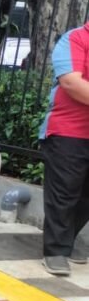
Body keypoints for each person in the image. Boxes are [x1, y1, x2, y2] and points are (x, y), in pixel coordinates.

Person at [38, 20, 89, 277]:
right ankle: (56, 249)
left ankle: (67, 238)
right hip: (68, 130)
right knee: (64, 191)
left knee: (85, 195)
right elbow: (71, 83)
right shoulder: (75, 38)